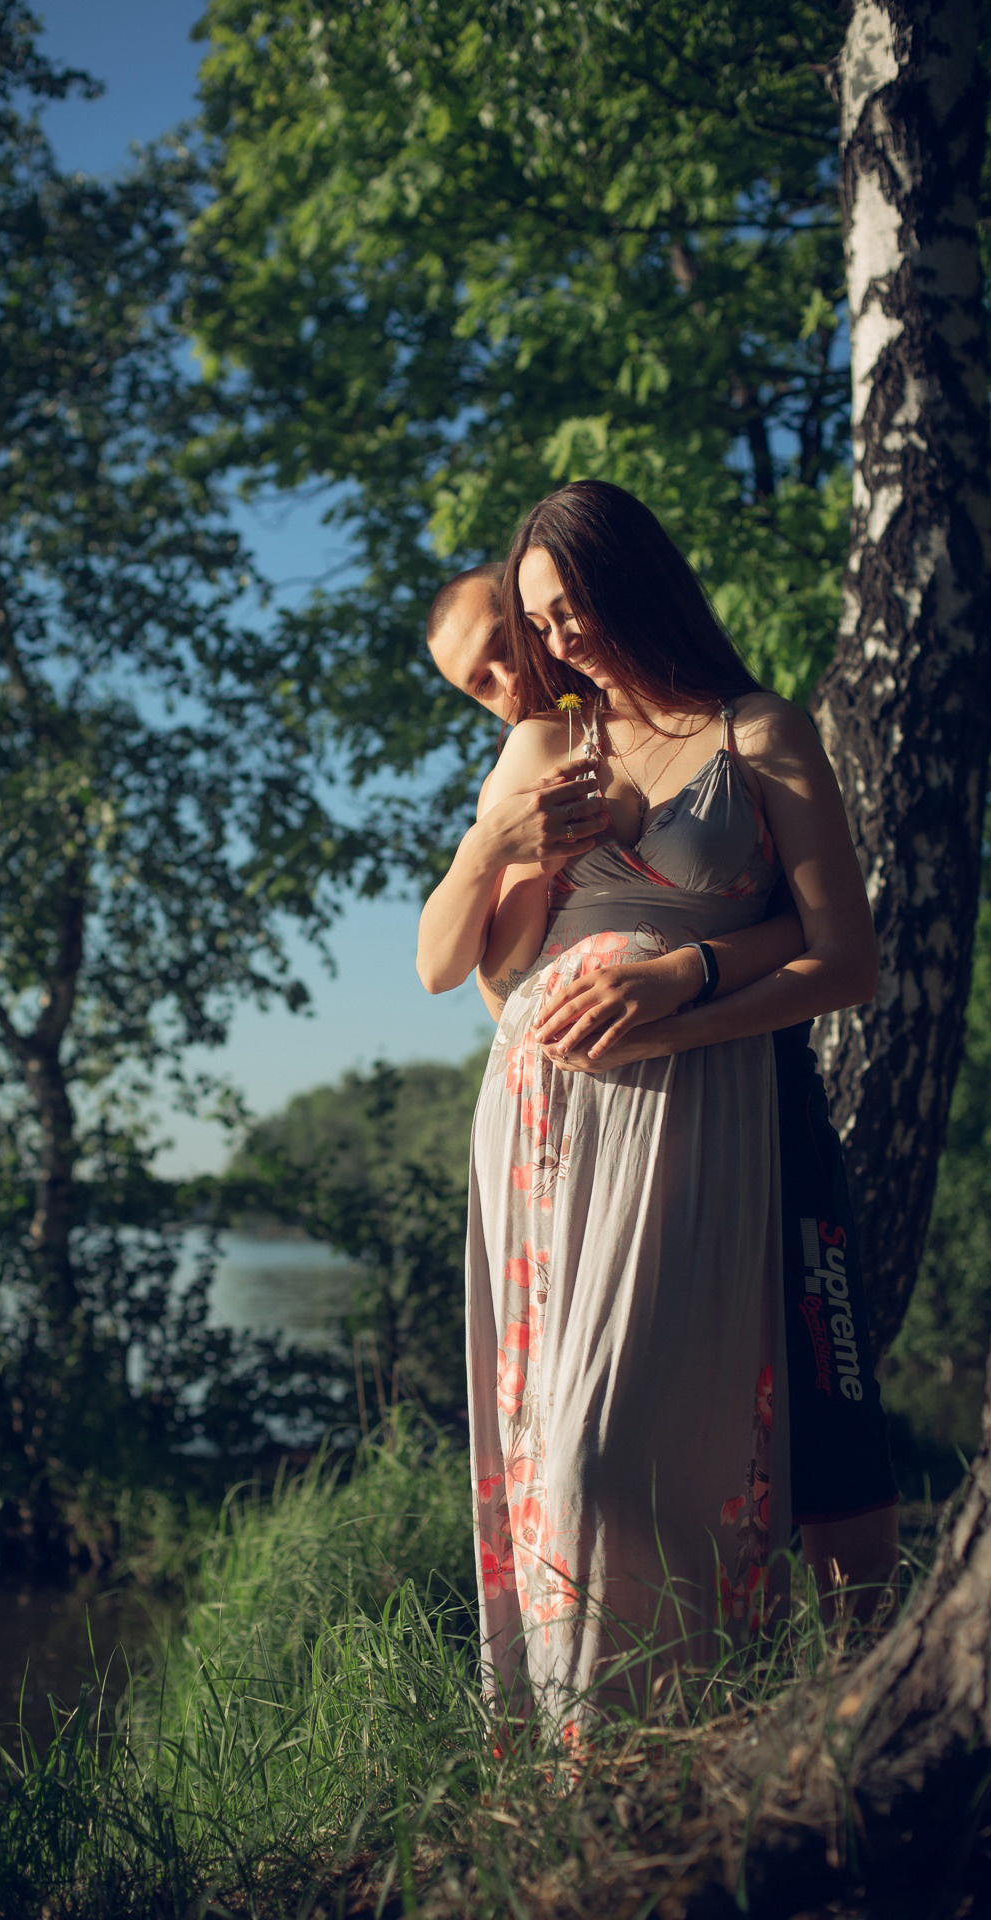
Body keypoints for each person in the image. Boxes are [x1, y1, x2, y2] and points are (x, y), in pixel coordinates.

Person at [419, 482, 889, 1731]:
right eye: (533, 623)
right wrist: (492, 847)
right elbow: (468, 969)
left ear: (632, 578)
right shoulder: (546, 750)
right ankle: (601, 1754)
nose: (552, 643)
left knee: (638, 1447)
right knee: (558, 1456)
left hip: (702, 1117)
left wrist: (679, 987)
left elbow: (840, 957)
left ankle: (744, 1711)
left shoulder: (759, 733)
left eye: (562, 611)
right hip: (549, 1146)